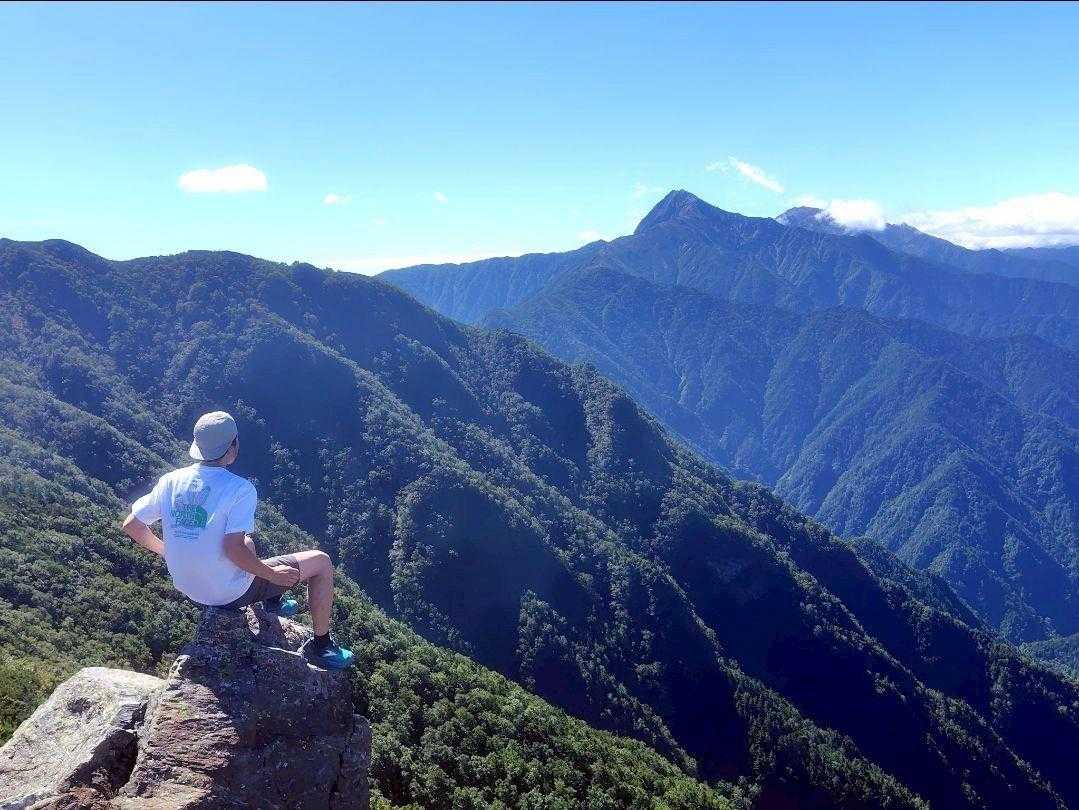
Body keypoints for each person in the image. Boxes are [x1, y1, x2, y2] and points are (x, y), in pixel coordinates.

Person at [122, 411, 353, 669]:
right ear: (233, 447)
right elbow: (232, 549)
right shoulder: (240, 489)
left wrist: (168, 551)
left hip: (189, 588)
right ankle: (321, 646)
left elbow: (132, 525)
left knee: (249, 543)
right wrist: (273, 575)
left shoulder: (170, 481)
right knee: (321, 562)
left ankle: (272, 600)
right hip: (226, 593)